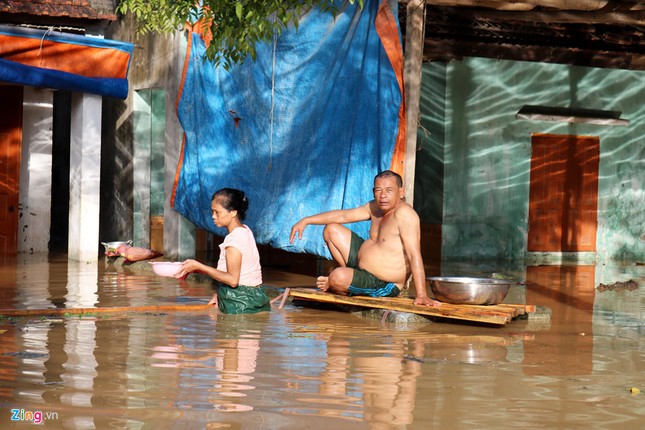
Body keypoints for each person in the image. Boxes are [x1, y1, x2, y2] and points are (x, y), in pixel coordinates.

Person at [289, 170, 440, 307]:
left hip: (383, 283)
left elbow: (415, 255)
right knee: (331, 230)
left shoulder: (405, 215)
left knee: (336, 277)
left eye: (389, 190)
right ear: (373, 191)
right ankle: (347, 280)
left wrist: (422, 295)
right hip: (361, 265)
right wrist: (307, 220)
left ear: (401, 192)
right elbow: (343, 215)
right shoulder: (374, 207)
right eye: (378, 190)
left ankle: (340, 283)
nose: (383, 196)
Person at [174, 188, 270, 314]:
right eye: (212, 211)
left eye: (217, 212)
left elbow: (232, 280)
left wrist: (199, 266)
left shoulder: (233, 241)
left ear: (233, 213)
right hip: (256, 298)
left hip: (240, 303)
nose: (213, 216)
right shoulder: (245, 231)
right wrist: (219, 294)